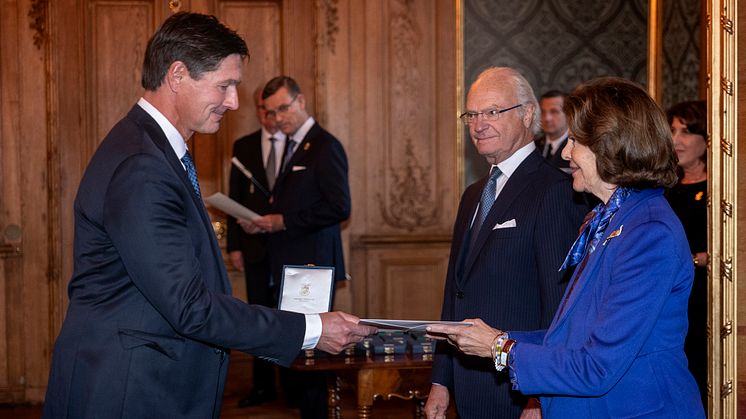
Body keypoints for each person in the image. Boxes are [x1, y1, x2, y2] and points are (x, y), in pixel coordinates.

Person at [43, 12, 375, 419]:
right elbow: (189, 307)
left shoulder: (152, 149)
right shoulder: (142, 166)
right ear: (177, 74)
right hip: (131, 389)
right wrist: (312, 329)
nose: (234, 101)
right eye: (225, 85)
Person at [426, 77, 705, 418]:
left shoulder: (648, 232)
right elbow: (569, 335)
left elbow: (596, 367)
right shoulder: (610, 220)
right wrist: (496, 338)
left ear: (610, 144)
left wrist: (500, 348)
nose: (565, 151)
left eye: (575, 140)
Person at [424, 67, 587, 419]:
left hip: (518, 388)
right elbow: (456, 292)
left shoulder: (554, 191)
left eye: (493, 111)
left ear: (528, 114)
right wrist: (441, 381)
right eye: (472, 114)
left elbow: (558, 306)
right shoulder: (472, 195)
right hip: (468, 386)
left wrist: (540, 395)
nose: (478, 124)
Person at [240, 75, 351, 418]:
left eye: (284, 109)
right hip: (290, 266)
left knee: (313, 352)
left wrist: (283, 220)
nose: (277, 119)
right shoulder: (292, 146)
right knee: (301, 351)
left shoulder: (324, 145)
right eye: (271, 113)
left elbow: (339, 207)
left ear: (301, 102)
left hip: (312, 268)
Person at [227, 85, 287, 407]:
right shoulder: (244, 146)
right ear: (258, 111)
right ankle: (262, 387)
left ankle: (292, 389)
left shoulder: (296, 146)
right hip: (254, 250)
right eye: (263, 110)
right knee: (259, 320)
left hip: (290, 251)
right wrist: (234, 247)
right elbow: (233, 199)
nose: (269, 116)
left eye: (274, 110)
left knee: (290, 317)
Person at [666, 100, 708, 407]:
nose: (676, 139)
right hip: (670, 300)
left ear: (706, 138)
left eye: (686, 131)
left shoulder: (722, 189)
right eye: (673, 130)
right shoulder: (666, 188)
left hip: (706, 299)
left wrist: (695, 260)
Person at [534, 90, 570, 173]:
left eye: (554, 111)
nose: (547, 118)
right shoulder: (533, 146)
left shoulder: (578, 147)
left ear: (568, 114)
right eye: (543, 112)